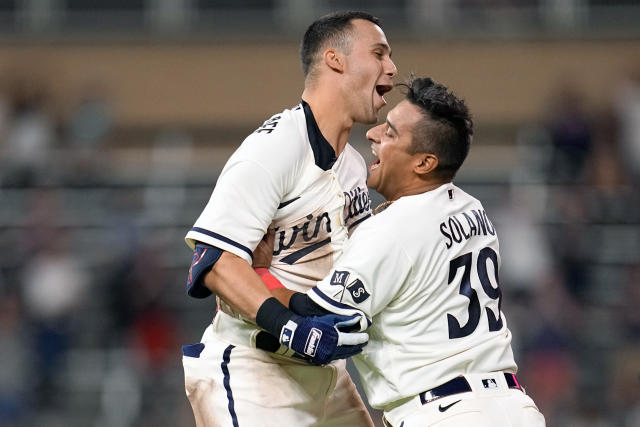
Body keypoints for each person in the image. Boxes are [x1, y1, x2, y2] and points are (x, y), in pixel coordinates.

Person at [255, 77, 546, 426]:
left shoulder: (393, 228)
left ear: (423, 163)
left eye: (390, 133)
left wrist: (259, 274)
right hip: (514, 408)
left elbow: (313, 317)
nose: (373, 134)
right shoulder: (474, 210)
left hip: (445, 412)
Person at [181, 11, 397, 427]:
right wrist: (291, 327)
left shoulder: (353, 166)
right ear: (336, 60)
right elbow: (215, 262)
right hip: (255, 369)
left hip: (326, 376)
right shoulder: (275, 147)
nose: (391, 68)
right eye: (379, 53)